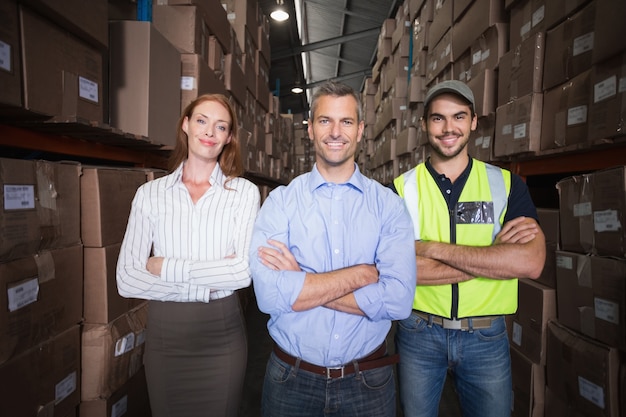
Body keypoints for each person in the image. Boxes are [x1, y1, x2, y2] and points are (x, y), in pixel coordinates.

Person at [249, 81, 417, 417]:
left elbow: (398, 300)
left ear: (360, 131)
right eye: (325, 121)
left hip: (367, 381)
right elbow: (270, 296)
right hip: (291, 380)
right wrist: (362, 274)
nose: (335, 132)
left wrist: (302, 280)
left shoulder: (388, 206)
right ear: (310, 129)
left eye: (346, 122)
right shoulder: (281, 203)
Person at [392, 79, 546, 417]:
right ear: (424, 125)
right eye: (438, 118)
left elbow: (531, 262)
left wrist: (429, 248)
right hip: (419, 332)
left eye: (459, 117)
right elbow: (395, 271)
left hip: (485, 337)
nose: (449, 128)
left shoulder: (506, 185)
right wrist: (495, 256)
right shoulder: (401, 190)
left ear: (474, 122)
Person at [116, 93, 260, 417]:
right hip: (166, 337)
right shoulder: (150, 195)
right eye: (201, 121)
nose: (210, 132)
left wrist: (166, 266)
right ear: (185, 125)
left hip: (222, 336)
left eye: (221, 126)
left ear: (229, 138)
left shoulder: (243, 194)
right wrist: (207, 281)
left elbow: (242, 273)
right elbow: (126, 279)